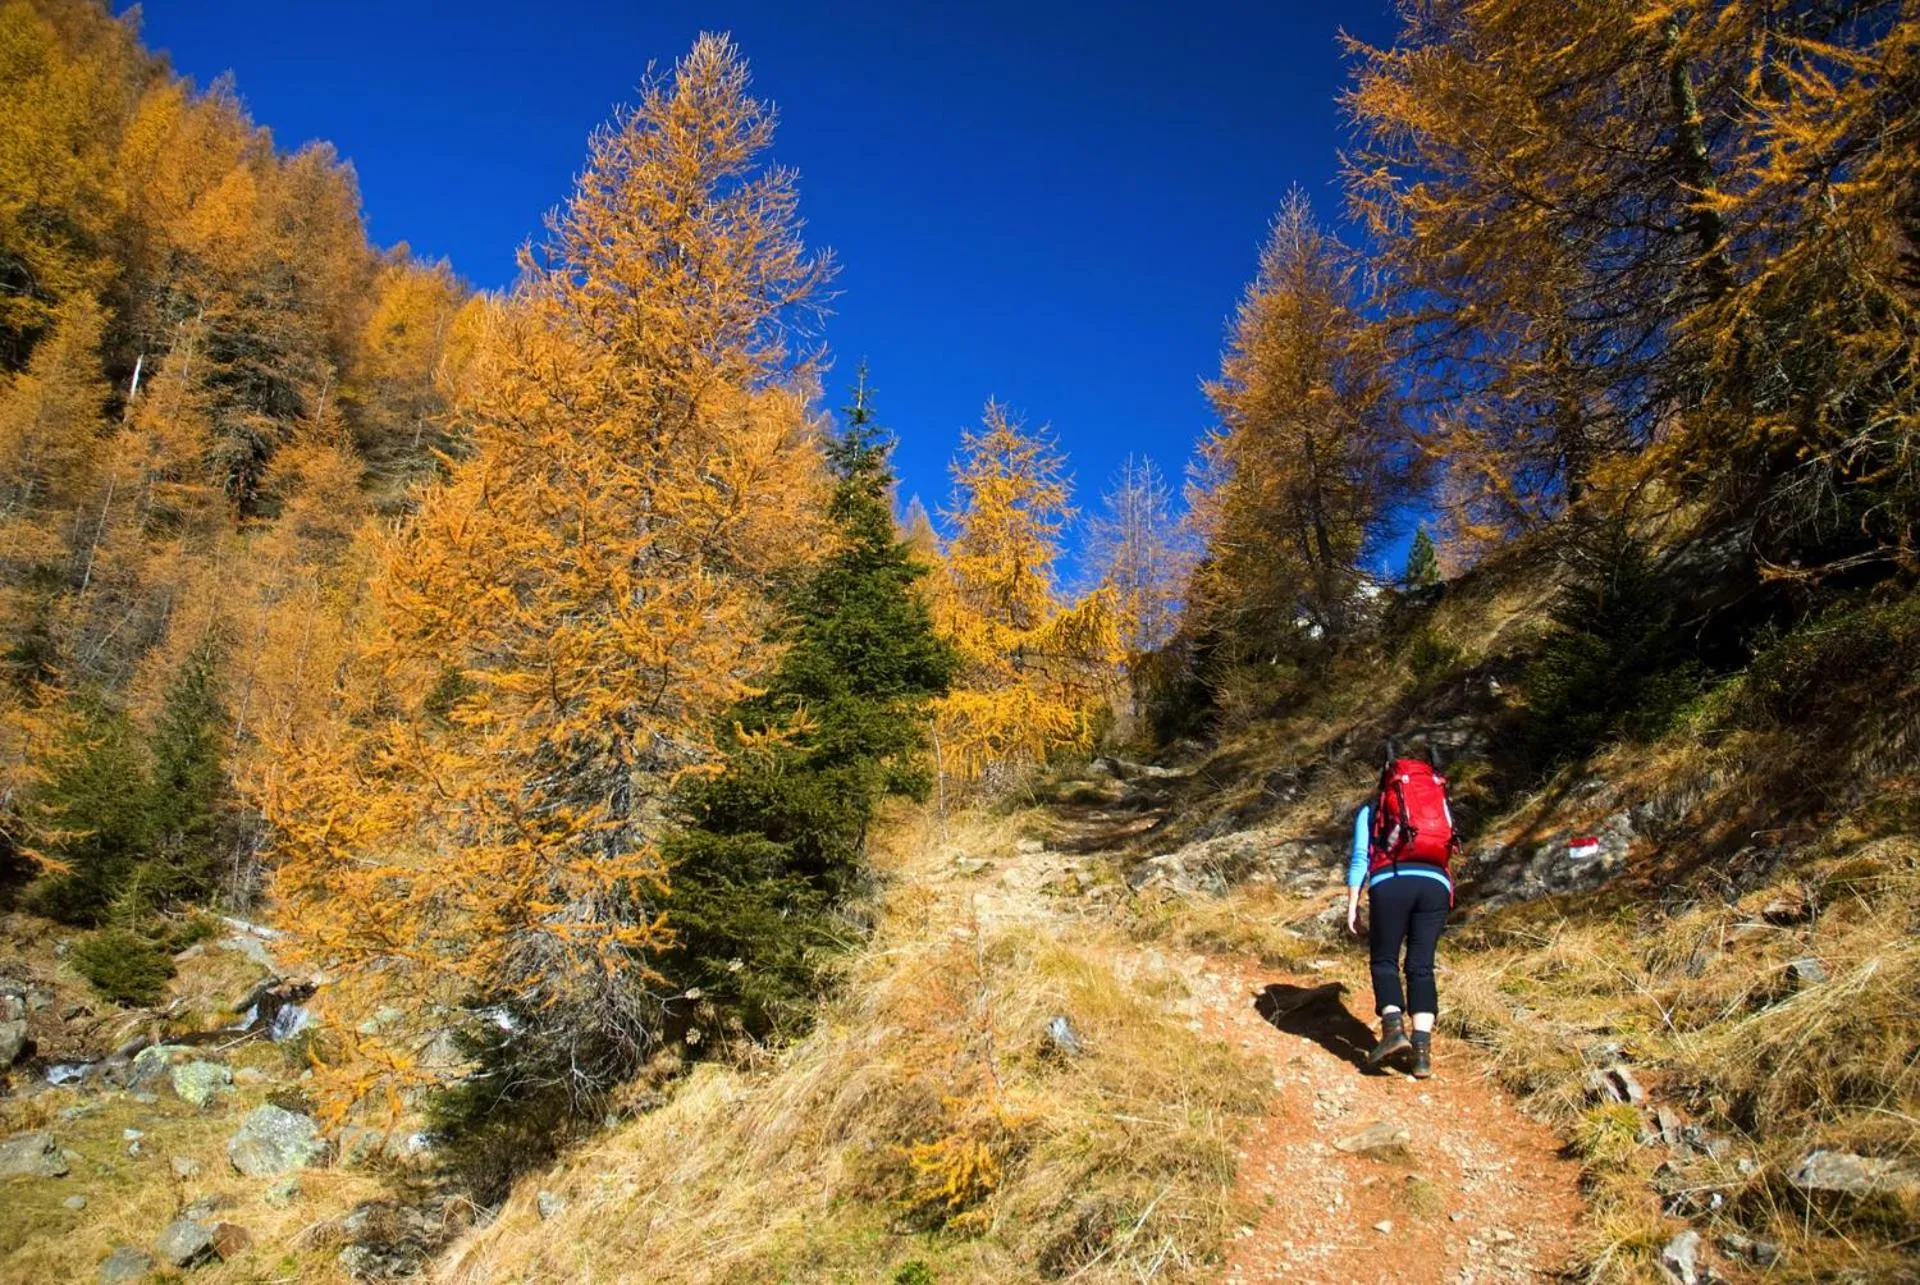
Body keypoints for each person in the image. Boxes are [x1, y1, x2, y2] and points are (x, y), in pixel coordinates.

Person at [1344, 739, 1456, 1078]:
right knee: (1421, 966)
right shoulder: (1440, 802)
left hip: (1390, 881)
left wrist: (1352, 906)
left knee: (1384, 959)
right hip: (1436, 884)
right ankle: (1422, 1053)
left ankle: (1394, 1030)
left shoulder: (1374, 808)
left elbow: (1361, 857)